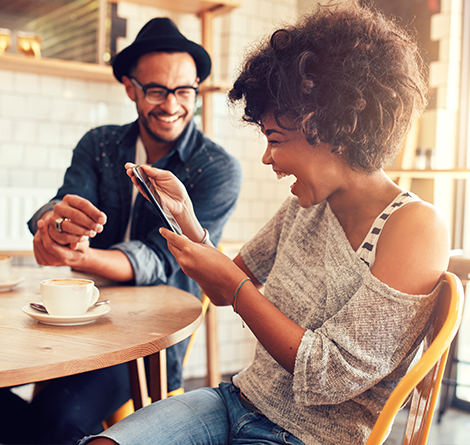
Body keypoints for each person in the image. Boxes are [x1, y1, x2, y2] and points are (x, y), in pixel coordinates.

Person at [79, 2, 449, 444]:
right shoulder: (307, 205)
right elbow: (220, 289)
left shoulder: (415, 228)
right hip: (236, 401)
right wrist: (189, 222)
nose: (267, 157)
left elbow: (329, 375)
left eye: (274, 139)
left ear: (325, 128)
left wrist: (239, 291)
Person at [0, 17, 241, 445]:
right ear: (131, 88)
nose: (171, 105)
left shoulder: (217, 168)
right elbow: (62, 205)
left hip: (150, 341)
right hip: (73, 321)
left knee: (56, 423)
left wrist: (79, 257)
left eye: (184, 91)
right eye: (155, 90)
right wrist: (54, 228)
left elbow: (158, 258)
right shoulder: (100, 144)